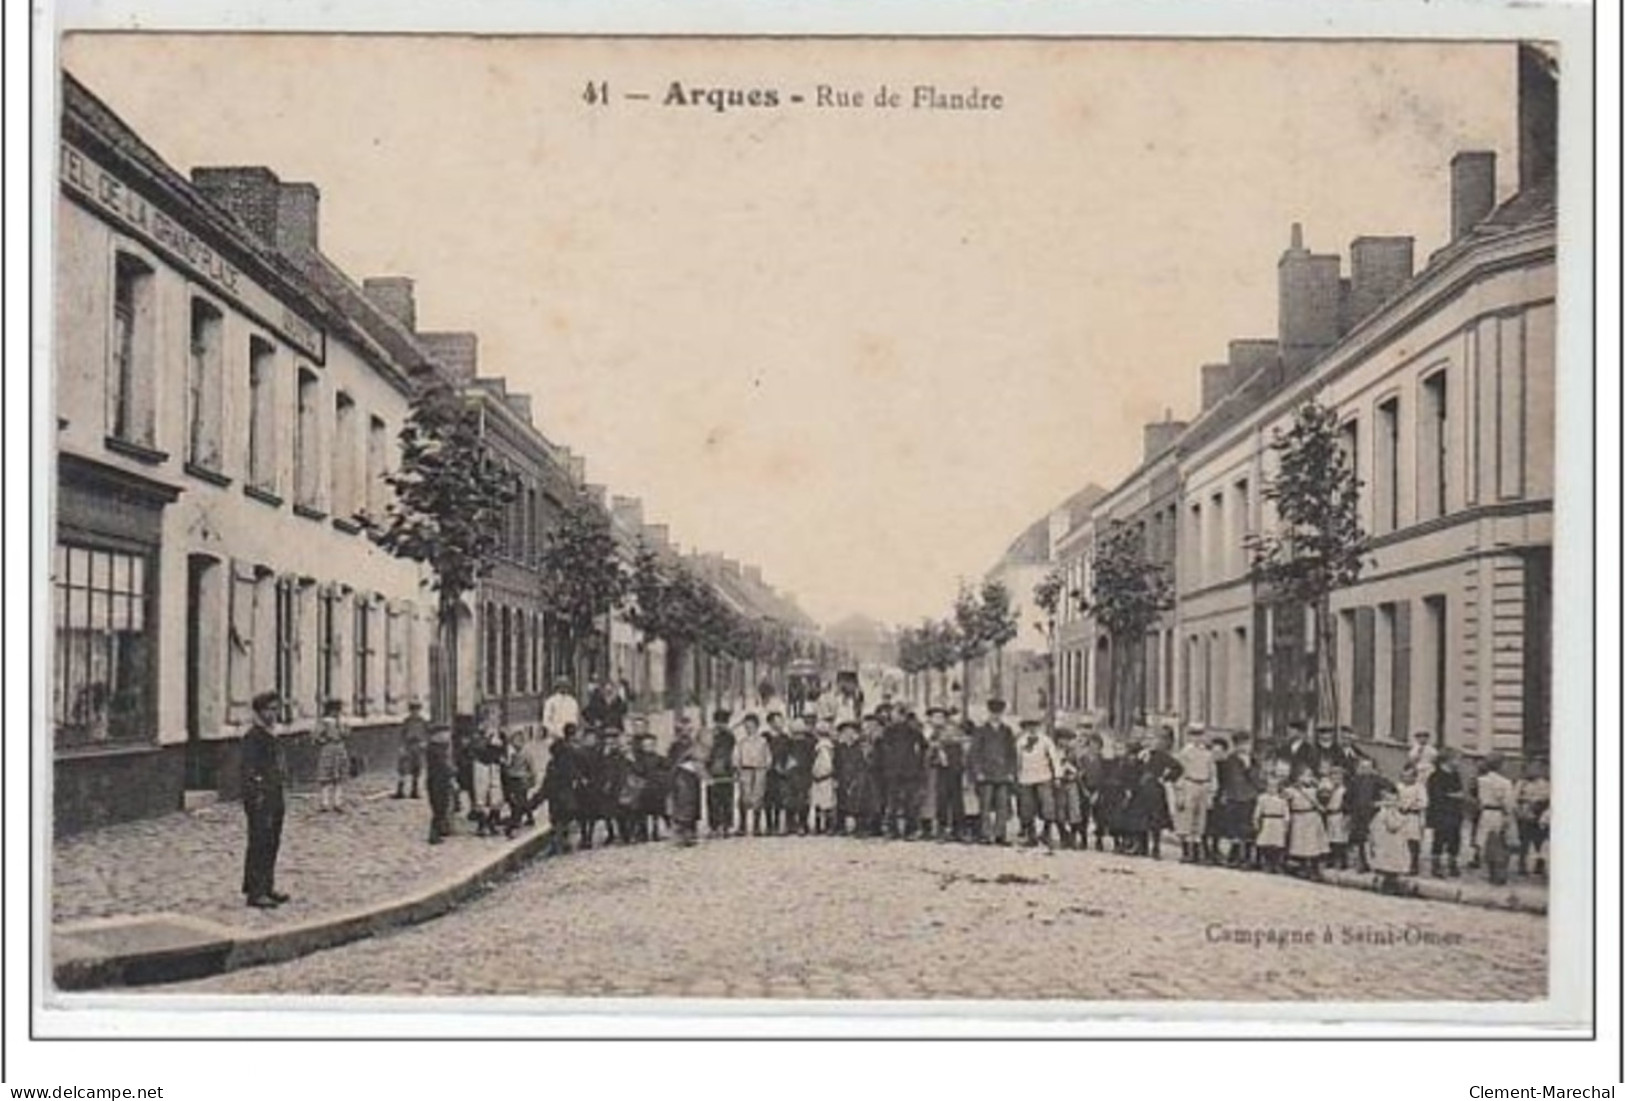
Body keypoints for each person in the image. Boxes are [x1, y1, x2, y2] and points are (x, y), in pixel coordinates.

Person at [240, 691, 290, 908]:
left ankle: (267, 886)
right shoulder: (253, 737)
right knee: (259, 842)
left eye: (276, 709)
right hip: (260, 797)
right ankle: (255, 892)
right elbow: (249, 769)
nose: (275, 713)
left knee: (272, 841)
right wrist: (257, 794)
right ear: (260, 712)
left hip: (274, 794)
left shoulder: (271, 734)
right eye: (271, 709)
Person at [969, 698, 1018, 845]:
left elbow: (1012, 753)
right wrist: (978, 771)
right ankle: (985, 834)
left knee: (1002, 805)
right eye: (993, 712)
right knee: (985, 805)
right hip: (986, 773)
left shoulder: (1007, 731)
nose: (996, 715)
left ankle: (1000, 834)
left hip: (1002, 773)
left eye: (999, 713)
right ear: (988, 713)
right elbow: (975, 753)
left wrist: (1011, 771)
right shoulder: (981, 731)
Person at [1211, 734, 1260, 868]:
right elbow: (1225, 779)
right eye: (1241, 744)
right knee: (1234, 828)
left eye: (1246, 744)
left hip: (1249, 796)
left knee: (1248, 828)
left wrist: (1249, 767)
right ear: (1236, 745)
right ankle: (1235, 856)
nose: (1244, 747)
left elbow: (1257, 778)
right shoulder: (1230, 760)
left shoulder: (1253, 760)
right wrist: (1224, 793)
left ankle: (1248, 858)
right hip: (1234, 796)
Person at [878, 707, 927, 839]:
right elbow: (883, 751)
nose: (894, 718)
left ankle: (909, 829)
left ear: (903, 716)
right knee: (893, 802)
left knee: (909, 802)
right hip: (895, 771)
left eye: (896, 715)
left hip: (908, 772)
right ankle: (893, 829)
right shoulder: (888, 732)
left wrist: (917, 766)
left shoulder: (913, 732)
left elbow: (922, 748)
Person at [1014, 717, 1062, 848]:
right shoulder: (1020, 742)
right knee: (1027, 808)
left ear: (1039, 726)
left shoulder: (1046, 741)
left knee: (1047, 805)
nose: (1032, 728)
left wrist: (1057, 776)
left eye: (1034, 725)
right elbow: (1017, 761)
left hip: (1043, 777)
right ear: (1025, 727)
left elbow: (1055, 759)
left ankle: (1047, 833)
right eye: (1029, 725)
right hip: (1026, 778)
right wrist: (1016, 777)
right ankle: (1031, 836)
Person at [1173, 725, 1216, 863]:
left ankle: (1197, 852)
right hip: (1189, 784)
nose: (1197, 738)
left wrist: (1211, 793)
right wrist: (1179, 793)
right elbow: (1179, 773)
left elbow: (1212, 774)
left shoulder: (1208, 754)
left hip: (1203, 784)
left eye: (1200, 735)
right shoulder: (1185, 753)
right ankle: (1186, 852)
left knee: (1200, 820)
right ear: (1189, 736)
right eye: (1194, 735)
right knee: (1186, 818)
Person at [539, 725, 584, 854]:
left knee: (557, 819)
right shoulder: (569, 756)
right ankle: (562, 843)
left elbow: (548, 782)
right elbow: (573, 773)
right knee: (563, 819)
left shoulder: (554, 763)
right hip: (564, 794)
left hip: (557, 795)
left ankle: (558, 844)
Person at [1475, 754, 1518, 886]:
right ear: (1500, 765)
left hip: (1485, 813)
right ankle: (1499, 873)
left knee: (1487, 842)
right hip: (1499, 813)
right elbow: (1508, 802)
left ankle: (1490, 871)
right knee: (1502, 843)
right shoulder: (1505, 782)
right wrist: (1509, 815)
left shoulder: (1481, 780)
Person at [1425, 748, 1467, 878]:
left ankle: (1452, 863)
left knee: (1455, 838)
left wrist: (1456, 796)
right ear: (1447, 760)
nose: (1459, 762)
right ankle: (1436, 865)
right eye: (1456, 759)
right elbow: (1437, 795)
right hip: (1440, 812)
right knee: (1439, 838)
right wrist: (1454, 795)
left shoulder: (1455, 775)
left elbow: (1459, 791)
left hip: (1454, 812)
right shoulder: (1435, 776)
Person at [1344, 755, 1391, 873]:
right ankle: (1362, 863)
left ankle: (1377, 864)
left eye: (1368, 767)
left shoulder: (1377, 780)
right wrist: (1349, 812)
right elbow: (1347, 797)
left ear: (1372, 768)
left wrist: (1379, 803)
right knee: (1360, 840)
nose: (1365, 769)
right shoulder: (1354, 781)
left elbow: (1391, 789)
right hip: (1358, 814)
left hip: (1373, 814)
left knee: (1375, 840)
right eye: (1362, 767)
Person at [929, 708, 967, 842]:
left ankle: (959, 829)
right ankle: (942, 828)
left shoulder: (954, 730)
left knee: (957, 800)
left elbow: (963, 746)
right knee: (942, 799)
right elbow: (930, 753)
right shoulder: (932, 733)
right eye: (935, 717)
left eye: (940, 717)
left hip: (955, 769)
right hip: (940, 770)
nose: (937, 720)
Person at [732, 714, 773, 837]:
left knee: (758, 797)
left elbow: (768, 756)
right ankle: (742, 825)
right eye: (747, 727)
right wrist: (737, 767)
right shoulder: (741, 742)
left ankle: (756, 826)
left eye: (751, 726)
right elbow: (736, 756)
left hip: (759, 770)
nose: (749, 729)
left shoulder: (762, 741)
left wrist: (766, 767)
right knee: (744, 797)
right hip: (745, 770)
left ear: (757, 726)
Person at [1368, 787, 1412, 893]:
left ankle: (1390, 884)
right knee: (1388, 863)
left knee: (1390, 864)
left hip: (1391, 843)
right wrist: (1404, 820)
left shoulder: (1389, 812)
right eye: (1388, 798)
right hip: (1387, 843)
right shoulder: (1385, 812)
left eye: (1394, 799)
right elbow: (1392, 826)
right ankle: (1384, 884)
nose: (1392, 801)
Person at [1514, 758, 1551, 878]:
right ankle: (1522, 864)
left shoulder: (1545, 783)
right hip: (1525, 812)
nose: (1534, 770)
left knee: (1539, 840)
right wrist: (1521, 809)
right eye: (1532, 766)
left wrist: (1539, 807)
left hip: (1539, 813)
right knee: (1524, 840)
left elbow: (1548, 797)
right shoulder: (1522, 783)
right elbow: (1515, 798)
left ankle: (1539, 863)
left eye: (1537, 767)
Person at [313, 698, 351, 814]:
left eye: (338, 710)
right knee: (325, 777)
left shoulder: (341, 722)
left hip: (340, 748)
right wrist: (324, 740)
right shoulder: (324, 722)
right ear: (330, 710)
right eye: (335, 710)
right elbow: (316, 736)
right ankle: (324, 802)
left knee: (339, 777)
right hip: (328, 749)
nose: (337, 712)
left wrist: (344, 728)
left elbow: (346, 734)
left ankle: (337, 802)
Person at [705, 709, 737, 839]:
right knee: (713, 800)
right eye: (720, 722)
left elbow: (733, 753)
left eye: (724, 722)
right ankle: (714, 826)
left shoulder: (730, 736)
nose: (722, 724)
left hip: (727, 771)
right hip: (713, 771)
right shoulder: (710, 736)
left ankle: (726, 826)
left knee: (727, 799)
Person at [782, 715, 816, 836]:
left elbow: (812, 759)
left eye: (800, 734)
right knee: (790, 800)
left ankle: (802, 823)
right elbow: (783, 758)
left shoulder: (809, 743)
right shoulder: (788, 743)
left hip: (803, 774)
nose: (798, 737)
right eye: (796, 734)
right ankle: (790, 823)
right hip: (791, 775)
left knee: (802, 800)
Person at [501, 729, 538, 838]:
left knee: (519, 800)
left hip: (521, 779)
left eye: (517, 741)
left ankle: (515, 821)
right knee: (520, 800)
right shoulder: (512, 753)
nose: (515, 743)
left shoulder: (526, 754)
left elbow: (532, 768)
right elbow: (509, 766)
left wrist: (532, 779)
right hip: (512, 778)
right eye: (513, 741)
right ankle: (529, 817)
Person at [833, 719, 866, 835]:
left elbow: (861, 764)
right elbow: (836, 763)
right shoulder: (839, 748)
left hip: (855, 777)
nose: (848, 734)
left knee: (857, 802)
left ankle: (859, 826)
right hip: (842, 777)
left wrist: (857, 778)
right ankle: (840, 826)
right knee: (841, 802)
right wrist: (835, 778)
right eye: (846, 732)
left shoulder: (858, 748)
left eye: (851, 732)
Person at [1251, 772, 1289, 875]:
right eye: (1270, 786)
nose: (1272, 789)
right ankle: (1267, 863)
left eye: (1274, 786)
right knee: (1265, 843)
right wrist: (1256, 820)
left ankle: (1276, 864)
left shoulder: (1282, 799)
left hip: (1278, 822)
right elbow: (1258, 811)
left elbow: (1286, 813)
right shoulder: (1262, 798)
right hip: (1267, 821)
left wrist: (1286, 824)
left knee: (1277, 845)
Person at [425, 724, 456, 845]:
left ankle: (439, 830)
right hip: (437, 781)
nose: (447, 736)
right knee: (439, 807)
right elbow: (443, 765)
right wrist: (452, 770)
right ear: (437, 736)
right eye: (445, 734)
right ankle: (434, 834)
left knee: (442, 807)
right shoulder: (435, 749)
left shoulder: (440, 748)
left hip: (441, 780)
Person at [669, 743, 705, 847]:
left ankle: (686, 835)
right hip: (685, 799)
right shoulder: (684, 772)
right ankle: (683, 836)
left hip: (687, 799)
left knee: (687, 813)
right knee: (685, 813)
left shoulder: (684, 771)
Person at [1395, 763, 1428, 876]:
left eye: (1409, 776)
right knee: (1400, 840)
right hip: (1400, 815)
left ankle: (1413, 865)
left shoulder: (1419, 787)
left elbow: (1423, 803)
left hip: (1413, 816)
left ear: (1414, 777)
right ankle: (1400, 864)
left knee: (1412, 841)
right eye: (1404, 776)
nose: (1406, 778)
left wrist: (1411, 805)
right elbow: (1395, 798)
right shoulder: (1399, 786)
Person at [395, 700, 428, 799]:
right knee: (403, 769)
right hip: (408, 746)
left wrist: (425, 743)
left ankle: (415, 791)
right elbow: (402, 734)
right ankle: (400, 791)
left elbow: (426, 734)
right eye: (413, 710)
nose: (415, 712)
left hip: (418, 746)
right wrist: (401, 746)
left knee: (416, 769)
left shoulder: (423, 722)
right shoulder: (407, 721)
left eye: (416, 710)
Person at [811, 717, 837, 835]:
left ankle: (826, 826)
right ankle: (823, 825)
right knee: (822, 801)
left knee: (825, 802)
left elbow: (826, 763)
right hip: (822, 776)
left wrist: (821, 773)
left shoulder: (823, 747)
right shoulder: (825, 746)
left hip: (824, 776)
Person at [1322, 765, 1350, 870]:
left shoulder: (1345, 790)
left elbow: (1348, 805)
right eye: (1333, 777)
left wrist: (1347, 818)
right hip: (1330, 815)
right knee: (1330, 839)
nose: (1335, 779)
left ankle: (1341, 862)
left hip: (1339, 815)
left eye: (1338, 777)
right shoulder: (1328, 789)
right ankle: (1331, 860)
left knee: (1340, 840)